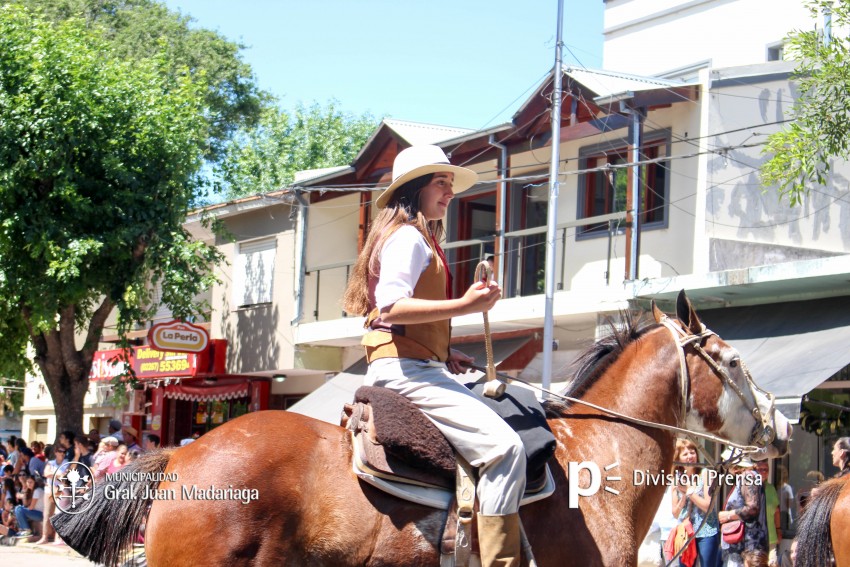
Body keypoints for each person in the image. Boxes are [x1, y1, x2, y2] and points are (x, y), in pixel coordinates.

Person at [342, 144, 525, 567]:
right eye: (441, 182)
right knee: (506, 449)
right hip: (408, 373)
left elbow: (388, 322)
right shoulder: (408, 237)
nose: (450, 192)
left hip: (410, 364)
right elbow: (390, 307)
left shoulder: (408, 236)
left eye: (450, 184)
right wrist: (466, 306)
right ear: (415, 188)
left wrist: (444, 351)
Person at [671, 439, 720, 567]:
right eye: (685, 454)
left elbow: (708, 507)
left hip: (706, 531)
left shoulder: (706, 474)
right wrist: (682, 496)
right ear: (679, 459)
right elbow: (675, 514)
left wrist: (689, 492)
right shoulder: (676, 479)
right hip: (686, 533)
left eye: (692, 453)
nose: (690, 457)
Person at [719, 452, 768, 567]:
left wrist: (728, 515)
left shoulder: (748, 476)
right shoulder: (748, 476)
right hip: (744, 546)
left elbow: (752, 508)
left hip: (745, 546)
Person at [753, 460, 780, 567]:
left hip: (771, 537)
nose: (764, 472)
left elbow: (776, 511)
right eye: (760, 469)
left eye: (766, 470)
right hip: (755, 537)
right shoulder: (750, 487)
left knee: (773, 563)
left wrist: (779, 530)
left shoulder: (771, 488)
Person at [13, 474, 44, 539]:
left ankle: (26, 530)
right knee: (18, 509)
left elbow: (31, 507)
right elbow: (25, 504)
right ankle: (22, 530)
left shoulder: (37, 491)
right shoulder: (31, 491)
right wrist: (24, 493)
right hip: (35, 513)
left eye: (31, 482)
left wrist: (22, 509)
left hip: (40, 514)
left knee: (19, 509)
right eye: (28, 482)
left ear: (35, 482)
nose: (29, 484)